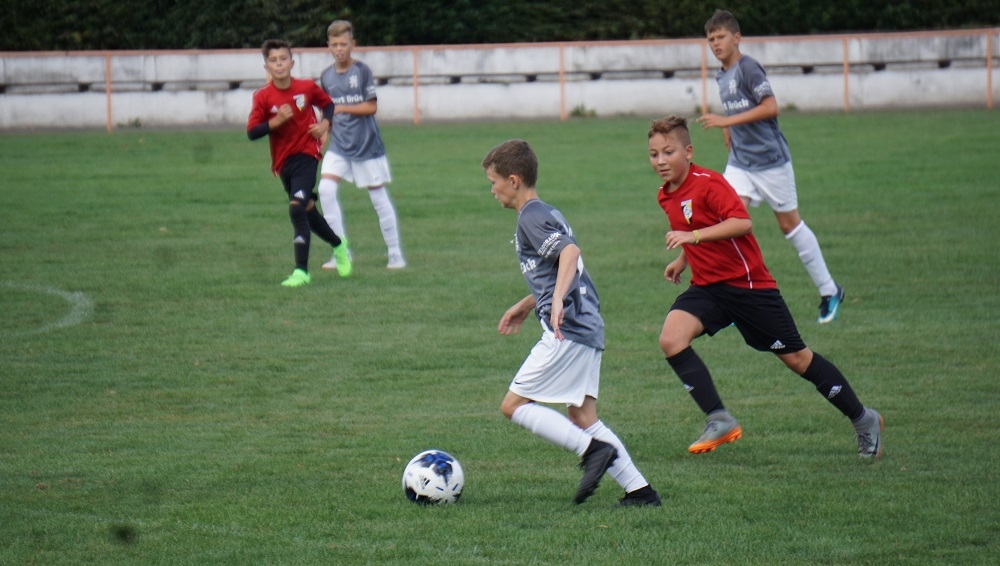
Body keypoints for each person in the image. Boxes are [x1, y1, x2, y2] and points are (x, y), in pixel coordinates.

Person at [647, 115, 883, 459]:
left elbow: (741, 222)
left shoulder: (710, 183)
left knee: (798, 360)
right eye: (654, 154)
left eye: (668, 152)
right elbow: (695, 224)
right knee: (671, 339)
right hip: (709, 288)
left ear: (689, 151)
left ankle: (864, 419)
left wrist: (692, 237)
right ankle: (719, 418)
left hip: (749, 288)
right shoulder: (665, 195)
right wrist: (684, 258)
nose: (660, 161)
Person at [483, 139, 661, 507]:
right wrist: (528, 303)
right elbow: (563, 269)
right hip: (587, 324)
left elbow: (569, 253)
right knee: (582, 415)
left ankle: (592, 451)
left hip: (569, 329)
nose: (492, 190)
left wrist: (556, 301)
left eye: (493, 181)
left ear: (513, 180)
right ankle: (641, 492)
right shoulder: (547, 212)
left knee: (513, 406)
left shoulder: (531, 217)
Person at [696, 9, 844, 323]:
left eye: (721, 37)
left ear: (737, 38)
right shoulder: (722, 74)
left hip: (771, 161)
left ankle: (830, 290)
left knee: (790, 226)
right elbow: (734, 107)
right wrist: (728, 130)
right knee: (726, 222)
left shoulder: (749, 68)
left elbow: (770, 107)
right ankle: (735, 299)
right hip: (740, 163)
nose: (716, 43)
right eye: (711, 39)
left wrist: (726, 121)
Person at [246, 39, 352, 286]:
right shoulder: (262, 97)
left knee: (296, 207)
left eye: (283, 59)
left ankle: (301, 272)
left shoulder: (306, 87)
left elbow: (328, 104)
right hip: (284, 163)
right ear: (266, 67)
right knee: (307, 210)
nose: (279, 64)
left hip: (307, 155)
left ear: (292, 63)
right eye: (273, 60)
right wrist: (276, 121)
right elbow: (252, 132)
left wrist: (324, 125)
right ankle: (338, 245)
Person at [318, 20, 406, 271]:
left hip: (367, 147)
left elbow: (371, 106)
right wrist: (323, 134)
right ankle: (341, 252)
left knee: (378, 197)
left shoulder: (362, 71)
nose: (339, 49)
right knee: (325, 190)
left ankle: (395, 254)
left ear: (352, 45)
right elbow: (327, 112)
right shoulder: (326, 76)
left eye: (343, 44)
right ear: (328, 46)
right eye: (334, 44)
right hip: (339, 146)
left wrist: (341, 107)